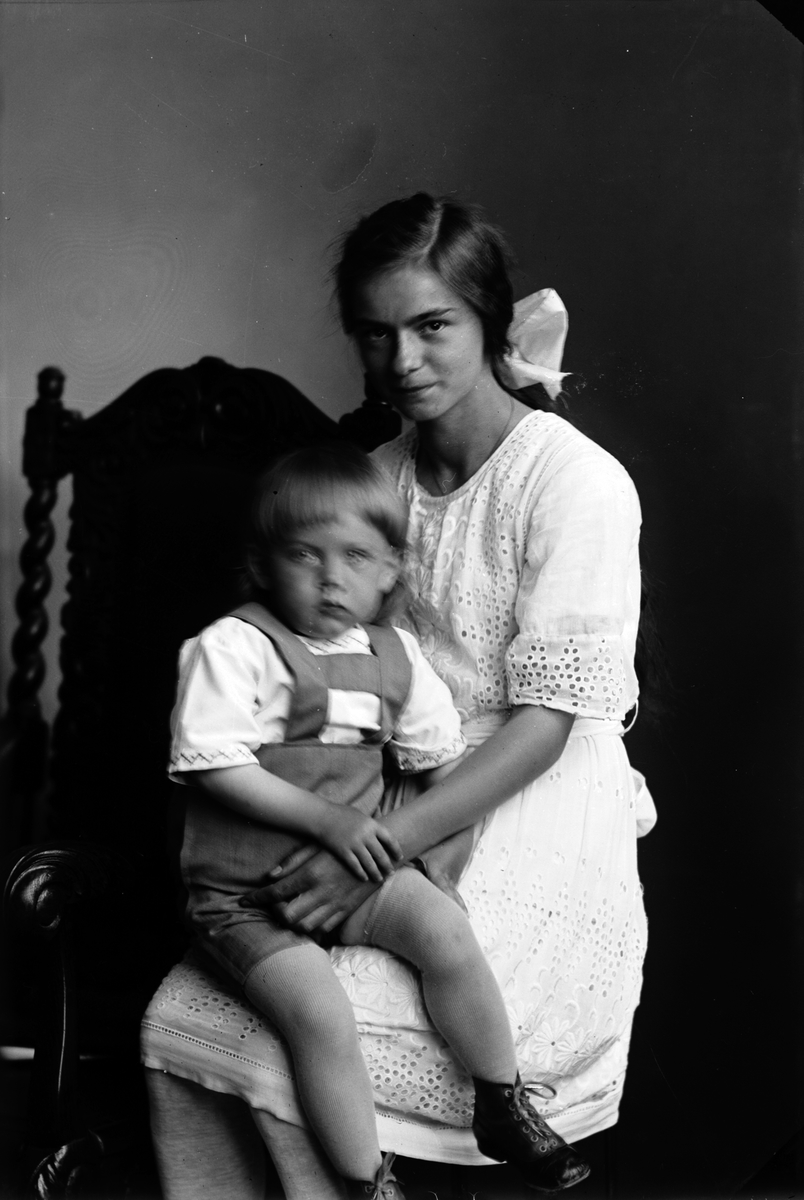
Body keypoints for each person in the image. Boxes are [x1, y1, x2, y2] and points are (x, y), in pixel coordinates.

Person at [141, 192, 656, 1199]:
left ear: (490, 323)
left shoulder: (577, 483)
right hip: (384, 779)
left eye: (432, 327)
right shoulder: (377, 478)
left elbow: (547, 725)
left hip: (523, 792)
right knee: (184, 1019)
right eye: (375, 335)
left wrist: (379, 854)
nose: (403, 361)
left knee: (313, 1037)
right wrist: (345, 828)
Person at [168, 442, 592, 1199]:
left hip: (353, 872)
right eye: (305, 555)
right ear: (263, 566)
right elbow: (213, 764)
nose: (331, 578)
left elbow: (444, 772)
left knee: (446, 933)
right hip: (244, 898)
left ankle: (501, 1102)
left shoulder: (397, 657)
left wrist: (434, 865)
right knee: (319, 1015)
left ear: (391, 570)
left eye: (356, 557)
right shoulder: (234, 646)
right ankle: (367, 1183)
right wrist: (332, 823)